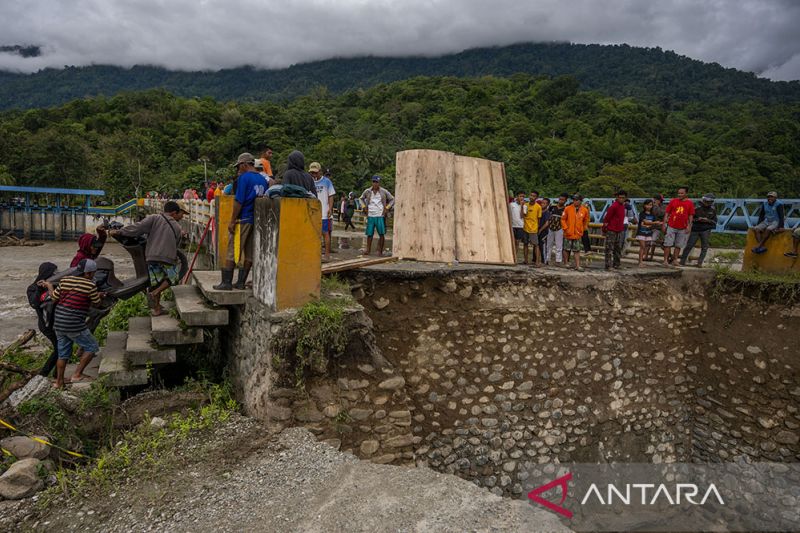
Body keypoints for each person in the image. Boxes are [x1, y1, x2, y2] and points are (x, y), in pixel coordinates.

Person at [111, 201, 189, 315]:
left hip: (151, 257)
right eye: (181, 213)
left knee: (156, 282)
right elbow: (176, 244)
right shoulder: (177, 227)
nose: (182, 217)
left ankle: (156, 309)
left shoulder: (154, 218)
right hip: (167, 257)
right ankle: (155, 293)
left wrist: (119, 232)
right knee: (173, 278)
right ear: (173, 213)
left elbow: (138, 228)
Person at [37, 259, 103, 388]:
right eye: (93, 273)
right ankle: (77, 374)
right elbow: (96, 303)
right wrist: (99, 295)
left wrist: (50, 286)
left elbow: (54, 298)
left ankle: (59, 382)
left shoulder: (65, 280)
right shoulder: (90, 285)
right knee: (92, 347)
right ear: (89, 273)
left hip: (59, 323)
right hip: (74, 324)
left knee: (63, 354)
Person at [214, 153, 268, 291]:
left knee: (232, 249)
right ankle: (240, 282)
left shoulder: (244, 178)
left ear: (245, 164)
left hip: (243, 218)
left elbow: (239, 201)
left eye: (239, 166)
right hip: (255, 220)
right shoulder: (263, 180)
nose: (238, 169)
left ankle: (226, 283)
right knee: (249, 253)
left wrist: (232, 221)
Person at [28, 262, 59, 377]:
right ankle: (44, 374)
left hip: (58, 323)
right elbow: (34, 304)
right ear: (47, 273)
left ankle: (55, 375)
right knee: (59, 349)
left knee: (61, 348)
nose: (55, 274)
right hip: (46, 325)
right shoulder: (32, 288)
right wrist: (39, 289)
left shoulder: (55, 285)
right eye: (53, 272)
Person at [680, 193, 717, 267]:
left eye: (709, 202)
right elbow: (689, 218)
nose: (707, 203)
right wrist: (698, 219)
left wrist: (708, 220)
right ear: (703, 200)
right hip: (695, 229)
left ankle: (699, 263)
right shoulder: (696, 207)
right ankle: (682, 261)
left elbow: (715, 221)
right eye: (706, 201)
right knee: (689, 245)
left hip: (706, 229)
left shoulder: (713, 209)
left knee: (705, 247)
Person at [360, 176, 394, 256]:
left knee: (381, 234)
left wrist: (387, 208)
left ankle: (380, 251)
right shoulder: (368, 191)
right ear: (372, 182)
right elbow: (361, 199)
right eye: (374, 182)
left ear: (379, 183)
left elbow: (392, 199)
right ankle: (368, 250)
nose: (375, 184)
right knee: (369, 233)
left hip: (380, 215)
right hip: (370, 214)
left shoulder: (384, 191)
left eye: (377, 182)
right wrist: (364, 207)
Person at [662, 186, 695, 266]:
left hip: (683, 227)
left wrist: (689, 226)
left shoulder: (689, 203)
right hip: (671, 225)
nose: (679, 194)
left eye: (682, 193)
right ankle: (665, 260)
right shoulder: (673, 201)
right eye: (679, 193)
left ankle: (675, 260)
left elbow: (691, 215)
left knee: (678, 245)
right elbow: (667, 213)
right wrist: (664, 224)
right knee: (668, 243)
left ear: (686, 193)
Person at [310, 162, 336, 261]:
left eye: (315, 173)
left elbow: (331, 196)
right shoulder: (309, 181)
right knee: (313, 233)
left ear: (320, 172)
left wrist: (330, 208)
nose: (314, 175)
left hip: (324, 212)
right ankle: (314, 253)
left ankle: (327, 254)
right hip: (313, 212)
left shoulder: (327, 182)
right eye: (312, 173)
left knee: (325, 233)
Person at [562, 195, 590, 271]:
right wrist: (565, 228)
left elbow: (586, 220)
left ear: (580, 201)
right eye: (574, 200)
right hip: (568, 232)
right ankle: (566, 263)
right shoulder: (567, 208)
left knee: (577, 250)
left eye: (577, 200)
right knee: (566, 249)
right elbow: (563, 219)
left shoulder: (584, 210)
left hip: (578, 233)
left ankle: (577, 265)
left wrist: (583, 229)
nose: (575, 201)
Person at [602, 190, 627, 271]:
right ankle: (608, 265)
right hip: (611, 229)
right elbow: (607, 218)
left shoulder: (623, 206)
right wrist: (604, 228)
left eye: (623, 198)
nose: (621, 199)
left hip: (619, 229)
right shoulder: (614, 206)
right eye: (620, 197)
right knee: (609, 248)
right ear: (617, 197)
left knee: (618, 248)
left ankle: (617, 264)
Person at [546, 193, 568, 266]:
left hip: (560, 228)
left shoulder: (566, 209)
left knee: (559, 245)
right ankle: (547, 259)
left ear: (565, 201)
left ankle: (558, 261)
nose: (561, 201)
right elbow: (548, 215)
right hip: (551, 227)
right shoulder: (552, 207)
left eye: (563, 200)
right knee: (549, 244)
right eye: (560, 199)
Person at [522, 191, 542, 266]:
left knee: (536, 245)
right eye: (530, 195)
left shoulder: (538, 207)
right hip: (525, 227)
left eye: (534, 196)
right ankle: (526, 260)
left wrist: (537, 228)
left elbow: (539, 219)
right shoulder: (525, 205)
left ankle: (537, 262)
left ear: (536, 198)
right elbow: (523, 215)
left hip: (533, 229)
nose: (531, 197)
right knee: (525, 244)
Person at [636, 200, 657, 267]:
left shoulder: (653, 214)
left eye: (650, 205)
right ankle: (640, 262)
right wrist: (655, 223)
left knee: (646, 247)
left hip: (649, 232)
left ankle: (642, 260)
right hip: (641, 232)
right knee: (642, 246)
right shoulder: (642, 214)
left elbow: (654, 223)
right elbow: (645, 222)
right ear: (644, 205)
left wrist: (658, 223)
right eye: (648, 205)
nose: (649, 206)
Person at [647, 194, 667, 261]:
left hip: (659, 227)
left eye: (656, 200)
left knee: (661, 243)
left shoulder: (664, 207)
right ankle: (647, 256)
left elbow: (660, 213)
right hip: (651, 226)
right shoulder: (651, 205)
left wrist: (656, 206)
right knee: (649, 242)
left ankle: (669, 257)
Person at [509, 192, 525, 262]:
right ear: (517, 197)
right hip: (512, 225)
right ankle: (510, 256)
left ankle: (515, 257)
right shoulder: (511, 204)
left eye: (523, 197)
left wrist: (521, 206)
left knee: (517, 242)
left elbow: (522, 216)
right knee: (511, 241)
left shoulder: (525, 206)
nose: (521, 198)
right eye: (520, 196)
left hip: (520, 226)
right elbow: (509, 214)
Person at [538, 198, 552, 265]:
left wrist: (540, 230)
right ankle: (537, 259)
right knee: (538, 245)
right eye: (542, 203)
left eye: (544, 203)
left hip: (544, 232)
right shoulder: (539, 211)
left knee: (543, 246)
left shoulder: (547, 213)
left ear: (548, 204)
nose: (542, 204)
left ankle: (544, 260)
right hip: (538, 230)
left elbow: (547, 223)